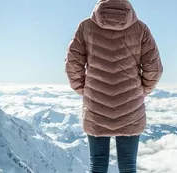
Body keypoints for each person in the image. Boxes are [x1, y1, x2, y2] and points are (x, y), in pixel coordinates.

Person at [65, 0, 163, 172]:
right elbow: (154, 68)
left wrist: (84, 89)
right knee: (128, 166)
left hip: (96, 105)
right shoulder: (140, 28)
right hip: (130, 106)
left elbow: (73, 64)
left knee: (98, 164)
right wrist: (142, 91)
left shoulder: (86, 26)